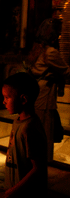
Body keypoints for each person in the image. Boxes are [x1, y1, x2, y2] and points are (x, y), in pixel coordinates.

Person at [0, 72, 48, 198]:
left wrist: (14, 191)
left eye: (7, 97)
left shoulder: (30, 128)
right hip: (16, 193)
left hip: (26, 196)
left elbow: (38, 168)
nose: (3, 101)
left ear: (23, 99)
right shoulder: (18, 122)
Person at [25, 18, 70, 162]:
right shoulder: (50, 52)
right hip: (45, 96)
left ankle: (32, 158)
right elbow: (66, 70)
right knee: (44, 129)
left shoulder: (37, 48)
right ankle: (40, 161)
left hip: (37, 92)